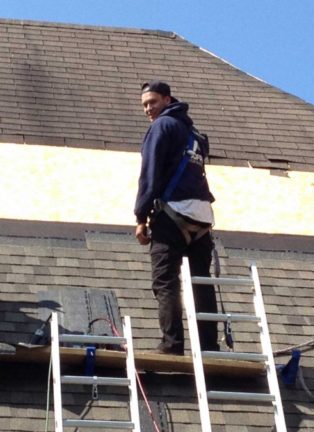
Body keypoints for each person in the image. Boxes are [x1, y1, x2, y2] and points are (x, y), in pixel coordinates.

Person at [134, 81, 219, 355]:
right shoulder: (194, 134)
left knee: (165, 280)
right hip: (202, 218)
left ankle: (172, 344)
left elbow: (150, 174)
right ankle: (209, 346)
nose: (148, 109)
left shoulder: (162, 126)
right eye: (145, 105)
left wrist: (141, 216)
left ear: (167, 100)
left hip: (172, 215)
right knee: (200, 282)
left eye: (153, 102)